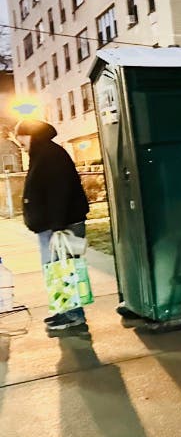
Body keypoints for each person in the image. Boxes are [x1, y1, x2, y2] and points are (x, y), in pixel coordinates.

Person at [15, 119, 90, 333]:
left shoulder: (49, 155)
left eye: (21, 139)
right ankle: (64, 310)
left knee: (65, 268)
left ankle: (73, 315)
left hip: (62, 225)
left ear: (30, 135)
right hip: (55, 224)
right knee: (57, 269)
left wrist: (57, 225)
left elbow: (59, 191)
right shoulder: (44, 153)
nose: (20, 144)